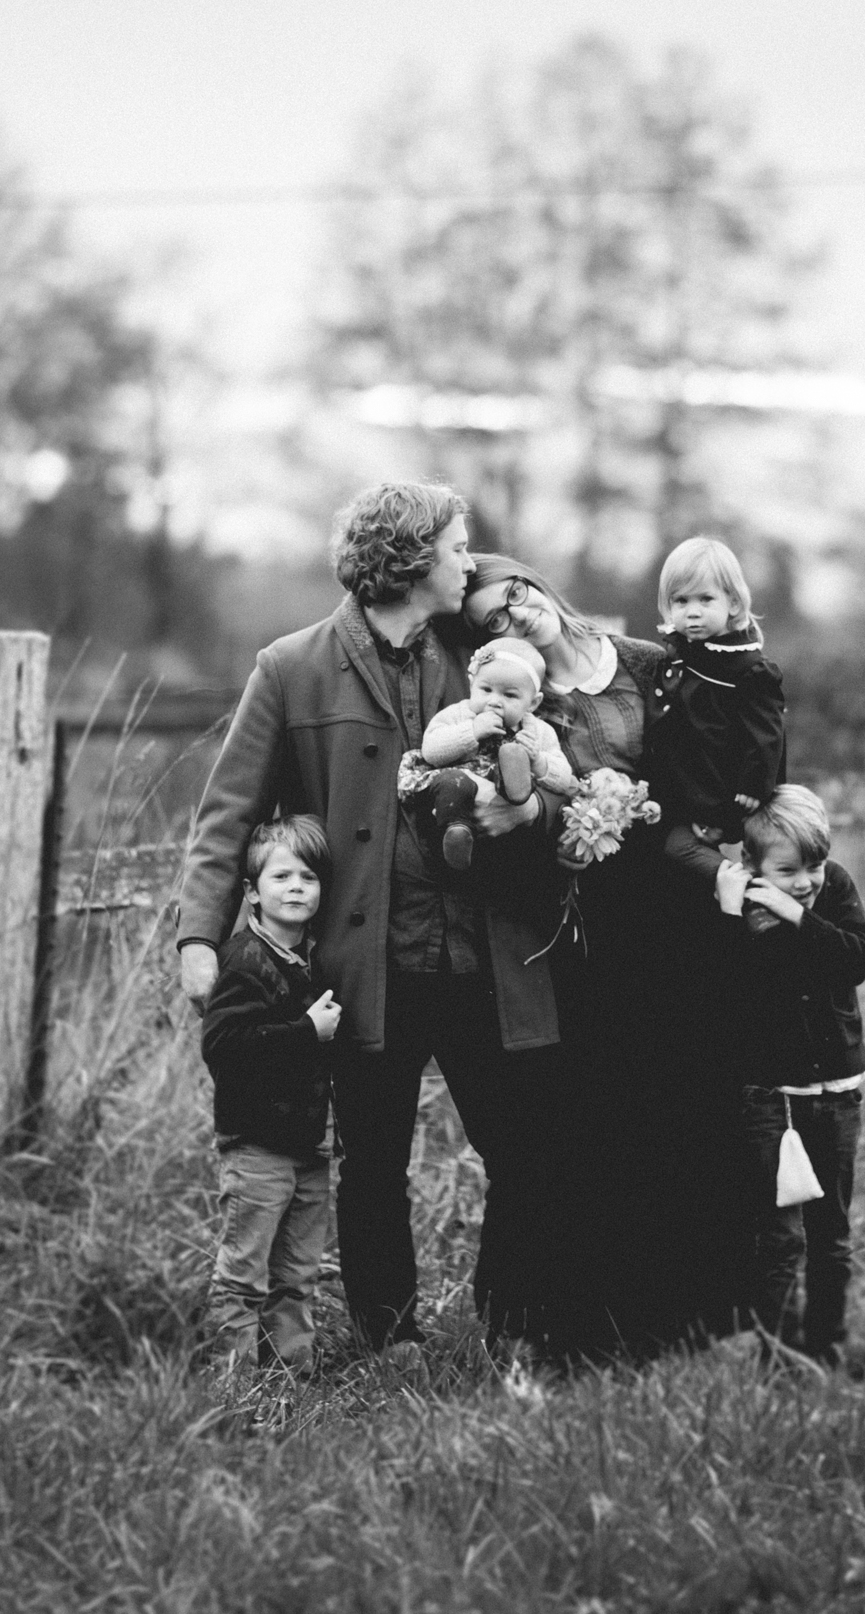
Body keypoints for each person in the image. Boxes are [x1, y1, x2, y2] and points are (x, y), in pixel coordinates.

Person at [177, 482, 564, 1359]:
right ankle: (390, 1336)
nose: (469, 563)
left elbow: (549, 760)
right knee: (374, 1163)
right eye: (456, 547)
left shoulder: (480, 656)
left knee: (524, 1149)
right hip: (365, 965)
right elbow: (226, 815)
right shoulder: (291, 667)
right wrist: (199, 938)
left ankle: (514, 1326)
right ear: (412, 559)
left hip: (483, 955)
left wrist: (529, 811)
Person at [462, 554, 743, 1357]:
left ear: (538, 585)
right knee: (608, 1112)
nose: (516, 615)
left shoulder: (647, 664)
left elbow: (713, 748)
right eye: (493, 621)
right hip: (592, 922)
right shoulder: (525, 704)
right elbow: (526, 803)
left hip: (680, 907)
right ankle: (603, 1319)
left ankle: (698, 1312)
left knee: (688, 1102)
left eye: (517, 593)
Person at [714, 785, 865, 1371]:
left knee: (832, 1233)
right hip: (771, 1098)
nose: (806, 880)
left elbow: (855, 959)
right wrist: (731, 917)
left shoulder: (834, 889)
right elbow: (728, 991)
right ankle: (779, 1358)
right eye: (788, 871)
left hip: (836, 1093)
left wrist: (796, 914)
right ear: (753, 864)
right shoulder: (738, 910)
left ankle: (828, 1341)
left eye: (815, 864)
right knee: (781, 1238)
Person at [200, 815, 344, 1372]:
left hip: (309, 1144)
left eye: (308, 877)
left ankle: (291, 1371)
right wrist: (306, 1032)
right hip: (257, 1143)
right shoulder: (244, 960)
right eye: (281, 877)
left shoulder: (315, 959)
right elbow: (224, 1046)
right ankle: (234, 1382)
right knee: (243, 1271)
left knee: (298, 1273)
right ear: (253, 892)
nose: (296, 888)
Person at [645, 536, 788, 847]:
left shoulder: (747, 668)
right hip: (673, 789)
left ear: (733, 603)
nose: (692, 612)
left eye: (705, 599)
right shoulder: (676, 657)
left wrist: (753, 785)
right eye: (681, 601)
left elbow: (766, 733)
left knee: (704, 855)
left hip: (720, 792)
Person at [399, 635, 577, 871]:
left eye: (509, 695)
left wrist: (537, 761)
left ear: (533, 703)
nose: (494, 701)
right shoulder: (458, 715)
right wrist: (472, 731)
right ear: (472, 684)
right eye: (486, 689)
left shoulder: (538, 732)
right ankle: (457, 834)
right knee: (453, 784)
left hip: (505, 817)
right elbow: (431, 751)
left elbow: (563, 779)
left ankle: (515, 783)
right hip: (459, 788)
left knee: (511, 766)